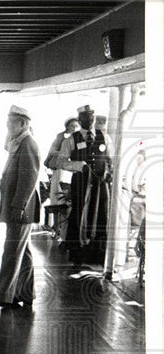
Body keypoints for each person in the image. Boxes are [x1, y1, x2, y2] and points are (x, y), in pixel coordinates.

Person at [0, 105, 41, 309]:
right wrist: (9, 132)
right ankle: (26, 294)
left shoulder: (28, 144)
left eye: (10, 123)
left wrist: (19, 205)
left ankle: (3, 296)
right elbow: (6, 146)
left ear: (23, 123)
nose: (7, 127)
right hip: (16, 206)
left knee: (11, 251)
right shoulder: (19, 142)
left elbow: (29, 178)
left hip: (20, 208)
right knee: (22, 252)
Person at [53, 104, 112, 266]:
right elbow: (61, 162)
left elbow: (110, 158)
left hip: (100, 183)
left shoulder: (104, 137)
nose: (90, 120)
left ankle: (97, 256)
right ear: (80, 120)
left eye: (92, 117)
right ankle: (78, 256)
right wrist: (80, 166)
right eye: (86, 118)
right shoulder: (72, 139)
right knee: (79, 214)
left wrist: (107, 172)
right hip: (80, 182)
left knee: (100, 214)